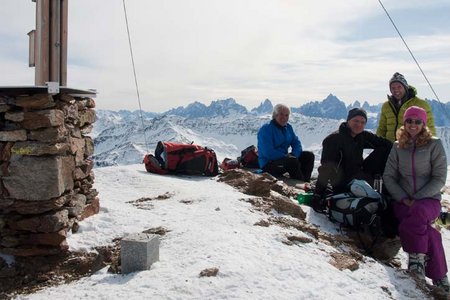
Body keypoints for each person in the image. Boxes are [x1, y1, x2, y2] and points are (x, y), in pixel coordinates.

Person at [383, 106, 449, 294]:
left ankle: (416, 262)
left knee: (417, 214)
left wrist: (417, 198)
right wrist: (403, 198)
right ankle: (440, 277)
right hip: (403, 201)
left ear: (423, 123)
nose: (413, 124)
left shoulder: (434, 144)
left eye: (417, 121)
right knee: (430, 233)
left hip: (429, 201)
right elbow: (389, 176)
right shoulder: (397, 146)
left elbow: (439, 178)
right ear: (404, 123)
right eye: (409, 121)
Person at [312, 108, 393, 211]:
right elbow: (326, 169)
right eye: (356, 121)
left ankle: (384, 187)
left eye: (362, 122)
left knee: (384, 149)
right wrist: (318, 195)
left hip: (359, 175)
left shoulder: (362, 135)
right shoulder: (333, 139)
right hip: (343, 182)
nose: (359, 124)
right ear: (348, 120)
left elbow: (387, 144)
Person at [257, 104, 315, 182]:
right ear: (275, 115)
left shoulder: (288, 128)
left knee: (309, 155)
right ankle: (300, 184)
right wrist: (286, 157)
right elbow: (267, 152)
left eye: (286, 115)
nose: (284, 118)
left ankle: (305, 182)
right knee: (292, 161)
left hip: (283, 161)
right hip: (268, 164)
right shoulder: (266, 129)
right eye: (281, 114)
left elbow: (296, 143)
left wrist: (294, 154)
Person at [377, 72, 436, 142]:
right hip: (390, 147)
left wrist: (430, 146)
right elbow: (382, 128)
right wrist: (378, 143)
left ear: (405, 87)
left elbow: (429, 127)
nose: (396, 90)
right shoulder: (386, 106)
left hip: (412, 147)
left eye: (399, 87)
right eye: (393, 88)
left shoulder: (420, 104)